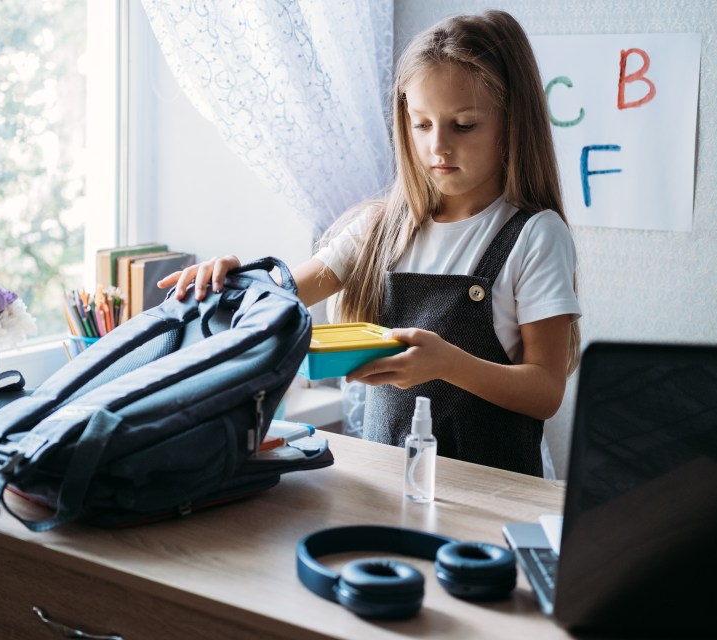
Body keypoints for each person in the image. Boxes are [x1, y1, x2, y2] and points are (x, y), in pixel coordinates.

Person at [158, 10, 581, 477]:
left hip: (490, 500)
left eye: (463, 125)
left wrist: (448, 363)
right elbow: (278, 298)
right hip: (384, 490)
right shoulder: (378, 230)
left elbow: (545, 392)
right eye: (422, 124)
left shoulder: (536, 235)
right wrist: (230, 281)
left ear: (512, 122)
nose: (438, 147)